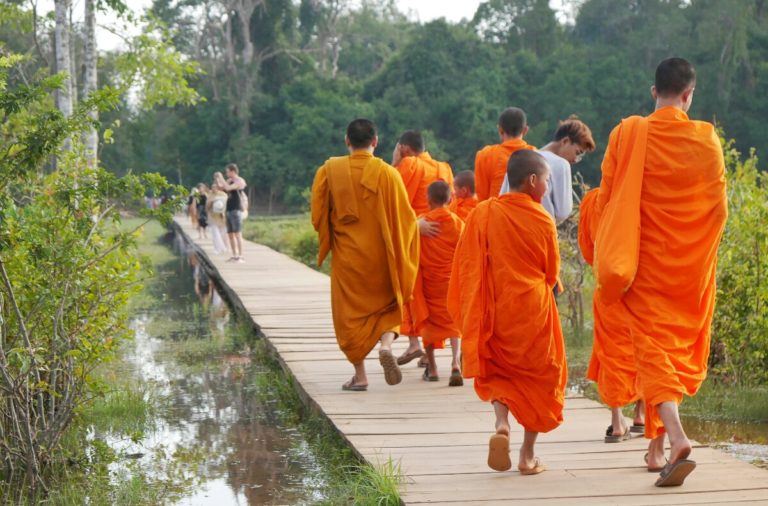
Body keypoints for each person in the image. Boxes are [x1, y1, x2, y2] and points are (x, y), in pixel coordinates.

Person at [594, 57, 727, 486]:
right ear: (689, 95)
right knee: (668, 352)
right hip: (688, 267)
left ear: (655, 92)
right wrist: (699, 252)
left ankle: (675, 436)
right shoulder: (707, 139)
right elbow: (717, 207)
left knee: (651, 352)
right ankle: (655, 447)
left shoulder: (628, 133)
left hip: (640, 265)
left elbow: (606, 199)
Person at [448, 150, 566, 475]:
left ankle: (502, 422)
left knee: (498, 371)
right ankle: (527, 456)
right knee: (541, 378)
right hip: (532, 312)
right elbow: (551, 272)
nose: (547, 184)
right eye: (546, 179)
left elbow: (468, 263)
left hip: (495, 310)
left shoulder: (483, 212)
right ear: (532, 181)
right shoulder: (542, 218)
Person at [311, 118, 419, 391]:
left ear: (347, 141)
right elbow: (405, 221)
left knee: (349, 316)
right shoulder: (388, 174)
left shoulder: (328, 171)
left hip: (349, 260)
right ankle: (385, 345)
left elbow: (318, 216)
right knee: (389, 306)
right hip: (382, 258)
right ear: (375, 141)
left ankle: (360, 376)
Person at [578, 189, 645, 444]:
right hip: (640, 285)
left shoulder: (592, 201)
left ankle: (617, 422)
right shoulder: (639, 197)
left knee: (612, 351)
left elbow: (587, 247)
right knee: (641, 346)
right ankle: (640, 414)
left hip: (608, 286)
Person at [391, 130, 454, 367]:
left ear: (404, 148)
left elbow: (392, 198)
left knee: (412, 290)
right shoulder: (443, 167)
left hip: (415, 233)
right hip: (439, 236)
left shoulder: (408, 164)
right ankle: (430, 353)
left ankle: (415, 343)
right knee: (435, 293)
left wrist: (394, 162)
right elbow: (451, 203)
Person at [408, 181, 464, 386]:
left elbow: (407, 246)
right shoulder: (458, 223)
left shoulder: (422, 222)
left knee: (429, 323)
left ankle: (432, 368)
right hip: (451, 282)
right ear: (451, 199)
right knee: (455, 321)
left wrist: (415, 229)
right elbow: (466, 253)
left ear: (428, 200)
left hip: (430, 283)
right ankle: (455, 362)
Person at [500, 117, 596, 224]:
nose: (576, 160)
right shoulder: (561, 164)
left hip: (511, 225)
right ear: (565, 141)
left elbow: (502, 196)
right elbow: (563, 212)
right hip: (541, 228)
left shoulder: (521, 158)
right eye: (578, 153)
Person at [474, 107, 535, 201]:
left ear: (500, 130)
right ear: (525, 130)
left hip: (495, 213)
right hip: (527, 213)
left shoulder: (486, 155)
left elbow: (482, 196)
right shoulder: (535, 155)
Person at [216, 164, 247, 263]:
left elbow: (229, 188)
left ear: (233, 171)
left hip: (236, 209)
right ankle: (234, 255)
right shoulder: (228, 181)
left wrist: (222, 178)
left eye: (228, 171)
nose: (226, 173)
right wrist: (218, 179)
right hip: (228, 210)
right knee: (230, 234)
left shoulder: (239, 181)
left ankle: (241, 256)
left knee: (238, 234)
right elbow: (221, 188)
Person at [207, 179, 230, 255]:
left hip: (222, 216)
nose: (214, 189)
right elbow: (207, 207)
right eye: (213, 187)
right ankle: (217, 249)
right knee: (215, 233)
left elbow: (227, 204)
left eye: (215, 187)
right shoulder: (210, 195)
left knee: (223, 233)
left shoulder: (223, 195)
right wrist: (212, 201)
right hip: (213, 216)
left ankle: (225, 247)